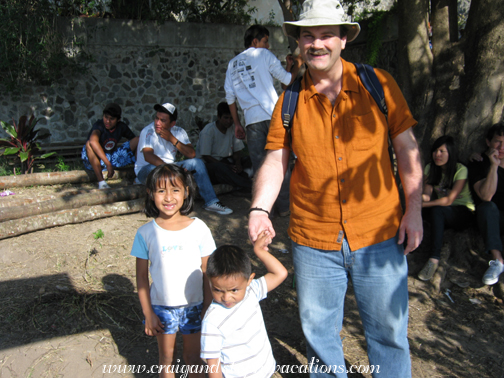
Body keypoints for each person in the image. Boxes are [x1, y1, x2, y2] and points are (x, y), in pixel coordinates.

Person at [247, 0, 423, 376]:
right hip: (314, 239)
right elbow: (276, 161)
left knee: (388, 333)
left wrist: (415, 210)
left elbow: (407, 149)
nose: (317, 43)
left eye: (326, 34)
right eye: (308, 36)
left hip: (379, 233)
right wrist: (260, 209)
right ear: (298, 43)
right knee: (320, 335)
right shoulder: (289, 100)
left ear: (344, 39)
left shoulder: (379, 85)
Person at [131, 164, 215, 378]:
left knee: (194, 359)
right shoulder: (145, 233)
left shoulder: (199, 227)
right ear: (150, 194)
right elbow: (141, 277)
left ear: (186, 192)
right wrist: (148, 313)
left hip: (195, 307)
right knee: (166, 360)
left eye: (175, 190)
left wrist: (208, 306)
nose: (168, 197)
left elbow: (207, 271)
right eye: (161, 191)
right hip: (161, 308)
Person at [225, 24, 300, 215]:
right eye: (265, 41)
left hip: (251, 122)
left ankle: (266, 209)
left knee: (260, 167)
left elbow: (230, 98)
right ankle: (285, 208)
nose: (267, 46)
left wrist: (237, 124)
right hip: (273, 117)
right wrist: (297, 64)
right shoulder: (264, 55)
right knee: (281, 162)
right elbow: (286, 81)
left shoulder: (232, 64)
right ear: (255, 41)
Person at [200, 232, 288, 378]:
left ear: (249, 280)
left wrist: (259, 251)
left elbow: (280, 273)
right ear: (209, 281)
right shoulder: (212, 321)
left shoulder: (251, 290)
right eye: (217, 290)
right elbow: (213, 365)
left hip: (265, 371)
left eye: (234, 290)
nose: (226, 297)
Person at [134, 102, 233, 215]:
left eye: (163, 120)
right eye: (156, 118)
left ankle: (211, 202)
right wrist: (172, 170)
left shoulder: (179, 132)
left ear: (172, 123)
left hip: (171, 168)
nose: (157, 123)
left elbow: (191, 154)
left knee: (197, 163)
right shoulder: (148, 131)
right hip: (147, 170)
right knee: (152, 168)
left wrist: (172, 139)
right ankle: (164, 205)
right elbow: (148, 156)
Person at [418, 136, 475, 281]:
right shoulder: (430, 168)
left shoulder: (460, 170)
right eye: (435, 151)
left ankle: (434, 260)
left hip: (463, 212)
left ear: (451, 153)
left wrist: (423, 205)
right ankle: (405, 250)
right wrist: (418, 202)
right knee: (414, 209)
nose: (437, 155)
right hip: (440, 209)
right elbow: (427, 194)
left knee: (437, 210)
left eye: (442, 151)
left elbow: (449, 200)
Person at [468, 123, 504, 285]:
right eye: (498, 141)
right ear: (488, 142)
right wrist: (493, 167)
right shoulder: (479, 163)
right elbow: (486, 196)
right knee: (488, 207)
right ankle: (498, 262)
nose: (502, 147)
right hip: (490, 219)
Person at [196, 102, 252, 192]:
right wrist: (226, 166)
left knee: (249, 160)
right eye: (226, 118)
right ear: (219, 116)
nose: (229, 121)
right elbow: (206, 156)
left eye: (231, 118)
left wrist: (238, 163)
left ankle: (238, 182)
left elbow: (237, 151)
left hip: (226, 162)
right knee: (221, 168)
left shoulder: (232, 129)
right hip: (210, 166)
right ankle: (248, 185)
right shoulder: (208, 131)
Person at [82, 103, 139, 189]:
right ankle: (101, 182)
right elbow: (93, 141)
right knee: (89, 144)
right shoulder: (99, 125)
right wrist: (108, 164)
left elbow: (135, 141)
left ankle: (139, 175)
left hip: (112, 157)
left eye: (112, 119)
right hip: (95, 160)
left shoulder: (121, 127)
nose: (107, 121)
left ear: (118, 120)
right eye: (106, 117)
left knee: (139, 139)